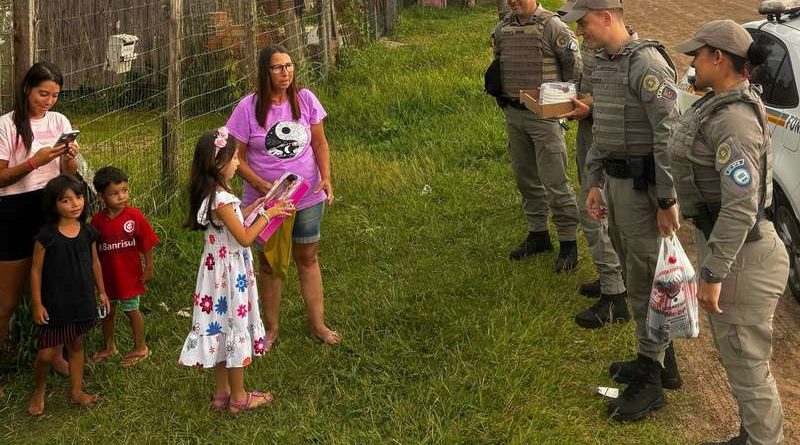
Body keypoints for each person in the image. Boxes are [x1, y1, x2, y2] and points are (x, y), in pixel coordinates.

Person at [560, 0, 682, 421]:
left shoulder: (645, 63)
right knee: (635, 276)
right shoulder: (606, 62)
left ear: (607, 17)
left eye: (585, 23)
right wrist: (594, 182)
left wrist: (666, 199)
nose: (581, 33)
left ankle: (651, 380)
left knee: (648, 281)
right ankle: (660, 362)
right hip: (615, 184)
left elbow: (668, 134)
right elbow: (605, 130)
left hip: (643, 190)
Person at [671, 20, 787, 445]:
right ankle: (750, 435)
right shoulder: (718, 101)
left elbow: (741, 205)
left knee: (747, 363)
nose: (692, 63)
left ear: (718, 57)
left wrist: (713, 272)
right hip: (732, 246)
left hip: (743, 257)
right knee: (738, 358)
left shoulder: (734, 119)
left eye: (696, 55)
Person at [226, 44, 340, 349]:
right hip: (268, 202)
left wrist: (326, 177)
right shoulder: (247, 108)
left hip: (307, 195)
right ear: (265, 72)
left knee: (307, 256)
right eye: (278, 67)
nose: (285, 72)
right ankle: (271, 328)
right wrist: (262, 186)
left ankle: (318, 324)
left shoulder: (305, 99)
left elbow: (320, 143)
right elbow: (235, 158)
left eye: (289, 65)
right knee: (271, 264)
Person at [178, 127, 291, 414]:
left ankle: (221, 394)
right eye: (235, 159)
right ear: (219, 164)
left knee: (219, 328)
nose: (239, 164)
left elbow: (234, 221)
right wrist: (269, 214)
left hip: (215, 274)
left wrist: (257, 205)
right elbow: (244, 237)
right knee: (234, 328)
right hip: (231, 277)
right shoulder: (223, 199)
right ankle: (240, 397)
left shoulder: (212, 194)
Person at [490, 0, 582, 271]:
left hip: (545, 118)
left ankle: (568, 243)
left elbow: (574, 67)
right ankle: (538, 233)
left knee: (555, 180)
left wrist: (564, 106)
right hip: (514, 113)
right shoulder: (502, 28)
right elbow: (498, 61)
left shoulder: (553, 26)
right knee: (525, 177)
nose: (512, 1)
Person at [0, 62, 78, 375]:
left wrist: (69, 161)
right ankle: (4, 354)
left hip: (50, 207)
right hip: (13, 211)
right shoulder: (6, 125)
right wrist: (34, 162)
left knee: (54, 288)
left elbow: (66, 176)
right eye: (42, 93)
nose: (48, 101)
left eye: (55, 95)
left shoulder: (59, 121)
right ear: (26, 89)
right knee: (6, 301)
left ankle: (53, 354)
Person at [564, 21, 630, 328]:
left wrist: (588, 107)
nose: (578, 31)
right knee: (597, 215)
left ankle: (615, 295)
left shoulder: (628, 58)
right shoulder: (599, 50)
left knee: (594, 215)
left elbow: (621, 105)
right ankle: (610, 279)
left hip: (607, 147)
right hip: (590, 140)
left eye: (583, 22)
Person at [27, 174, 109, 416]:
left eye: (79, 197)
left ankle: (76, 391)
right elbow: (35, 271)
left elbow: (95, 263)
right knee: (46, 355)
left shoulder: (88, 232)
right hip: (55, 305)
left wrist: (102, 291)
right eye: (66, 200)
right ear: (54, 205)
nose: (75, 204)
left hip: (81, 301)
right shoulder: (47, 236)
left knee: (76, 345)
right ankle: (39, 390)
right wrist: (37, 303)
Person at [89, 166, 159, 367]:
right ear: (101, 197)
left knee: (132, 310)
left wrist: (148, 267)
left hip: (129, 277)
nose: (121, 197)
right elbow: (93, 253)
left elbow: (147, 243)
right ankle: (109, 347)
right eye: (114, 193)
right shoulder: (97, 221)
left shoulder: (134, 216)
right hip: (107, 278)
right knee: (108, 312)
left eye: (124, 191)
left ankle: (141, 347)